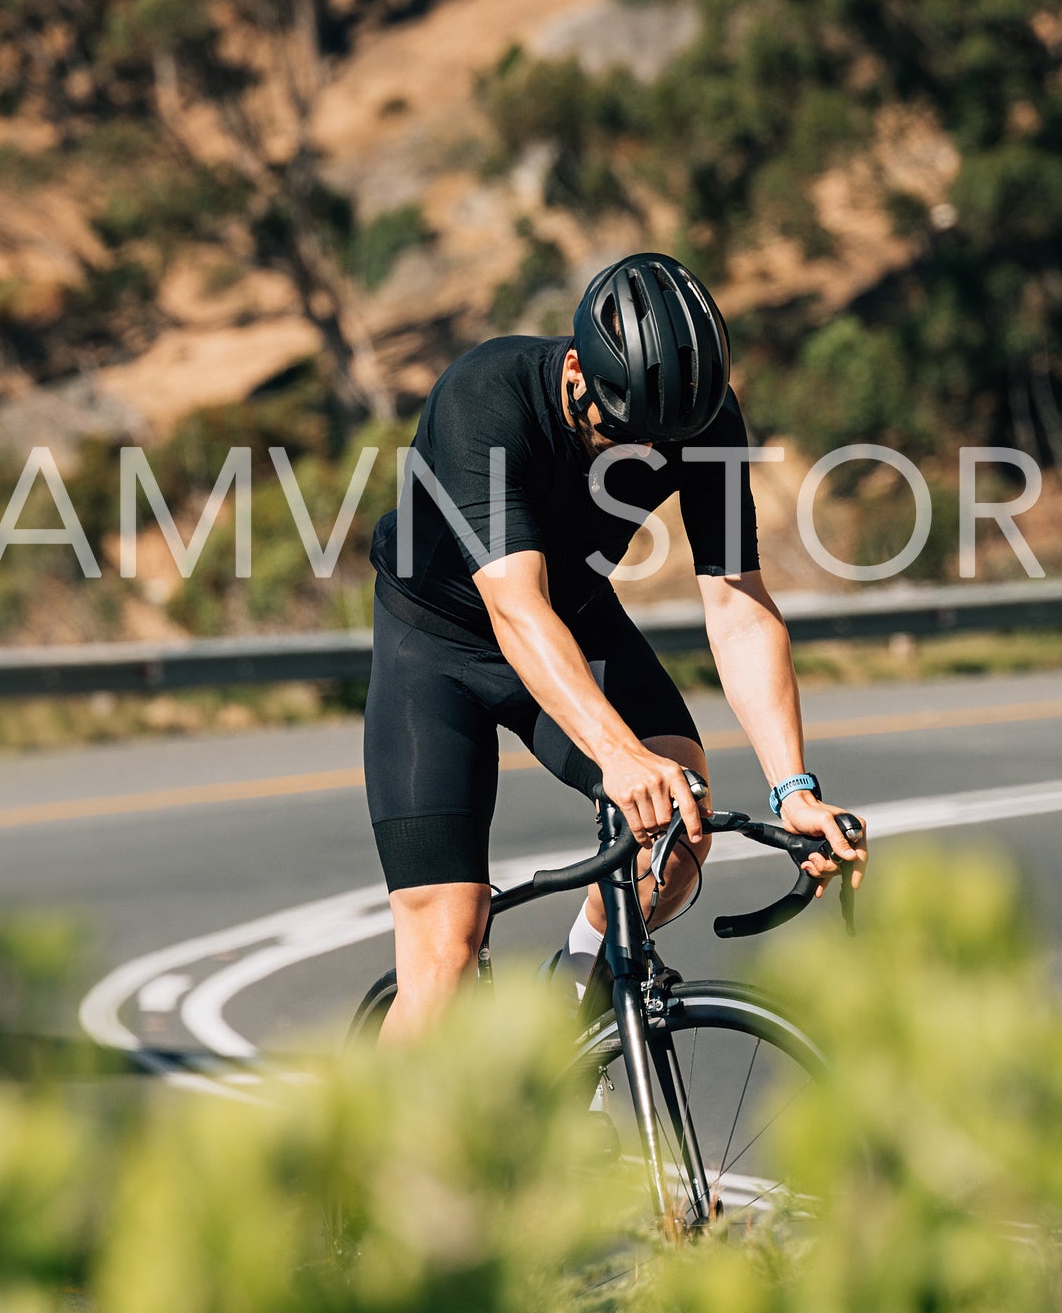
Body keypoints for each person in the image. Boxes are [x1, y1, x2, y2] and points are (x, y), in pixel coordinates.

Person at [364, 251, 867, 1039]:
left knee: (679, 822)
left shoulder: (704, 423)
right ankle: (354, 1160)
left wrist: (791, 788)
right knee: (447, 948)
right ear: (574, 372)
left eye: (660, 442)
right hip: (437, 648)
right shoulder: (484, 397)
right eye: (620, 432)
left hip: (576, 616)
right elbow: (515, 609)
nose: (636, 453)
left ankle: (575, 997)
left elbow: (736, 605)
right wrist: (617, 754)